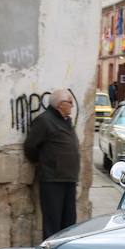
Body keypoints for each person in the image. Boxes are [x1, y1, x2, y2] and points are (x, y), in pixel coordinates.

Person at [23, 89, 80, 239]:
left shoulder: (66, 121)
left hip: (68, 178)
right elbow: (30, 147)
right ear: (60, 105)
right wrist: (45, 163)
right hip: (53, 179)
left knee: (69, 221)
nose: (72, 106)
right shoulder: (44, 121)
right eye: (70, 103)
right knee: (52, 222)